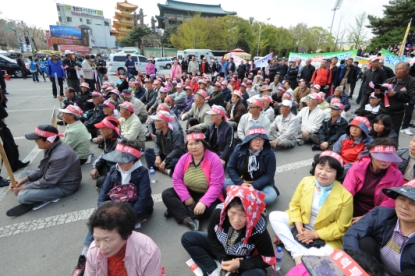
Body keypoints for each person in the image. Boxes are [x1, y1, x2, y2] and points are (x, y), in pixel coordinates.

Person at [269, 151, 353, 265]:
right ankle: (296, 253)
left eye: (329, 170)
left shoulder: (346, 197)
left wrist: (314, 235)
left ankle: (289, 240)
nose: (323, 173)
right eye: (320, 167)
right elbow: (295, 205)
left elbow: (341, 227)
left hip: (324, 235)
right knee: (274, 216)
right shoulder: (306, 181)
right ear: (315, 167)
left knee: (328, 256)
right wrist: (299, 227)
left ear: (337, 174)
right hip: (302, 223)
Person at [181, 186, 275, 276]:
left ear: (251, 214)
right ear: (227, 209)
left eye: (243, 215)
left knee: (257, 274)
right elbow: (212, 237)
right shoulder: (219, 212)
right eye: (232, 213)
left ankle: (234, 271)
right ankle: (213, 271)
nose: (236, 220)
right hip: (222, 248)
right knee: (188, 238)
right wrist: (224, 259)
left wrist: (239, 264)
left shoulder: (257, 226)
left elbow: (268, 259)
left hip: (244, 257)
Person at [343, 179, 415, 276]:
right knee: (365, 242)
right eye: (401, 199)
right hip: (376, 270)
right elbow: (352, 234)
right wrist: (364, 266)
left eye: (413, 204)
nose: (404, 206)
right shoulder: (381, 214)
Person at [6, 125, 82, 217]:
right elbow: (42, 169)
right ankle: (36, 194)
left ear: (48, 141)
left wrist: (23, 188)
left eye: (37, 140)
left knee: (22, 196)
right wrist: (23, 180)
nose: (35, 141)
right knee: (24, 174)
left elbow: (48, 181)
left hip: (64, 186)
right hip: (53, 177)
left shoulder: (61, 156)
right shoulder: (51, 146)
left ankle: (35, 201)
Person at [162, 131, 225, 231]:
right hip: (188, 191)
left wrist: (204, 202)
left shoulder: (214, 159)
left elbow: (216, 185)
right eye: (190, 144)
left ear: (203, 144)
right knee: (166, 194)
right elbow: (176, 179)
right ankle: (188, 220)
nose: (193, 147)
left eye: (197, 143)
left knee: (217, 209)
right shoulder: (184, 158)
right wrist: (186, 197)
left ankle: (176, 210)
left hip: (206, 193)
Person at [79, 202, 161, 276]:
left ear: (126, 233)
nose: (101, 247)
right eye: (97, 239)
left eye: (107, 240)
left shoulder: (147, 252)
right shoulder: (93, 250)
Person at [343, 138, 404, 225]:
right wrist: (345, 215)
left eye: (389, 157)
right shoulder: (358, 167)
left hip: (376, 216)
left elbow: (389, 204)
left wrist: (367, 217)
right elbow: (346, 192)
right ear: (371, 156)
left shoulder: (397, 176)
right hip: (350, 209)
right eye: (381, 157)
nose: (385, 161)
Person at [225, 126, 278, 205]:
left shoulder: (270, 153)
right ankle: (252, 201)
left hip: (261, 185)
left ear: (265, 141)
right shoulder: (239, 148)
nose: (258, 142)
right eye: (255, 138)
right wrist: (240, 183)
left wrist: (254, 186)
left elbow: (269, 175)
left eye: (261, 139)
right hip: (242, 182)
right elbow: (230, 167)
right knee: (225, 184)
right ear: (249, 139)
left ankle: (240, 198)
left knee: (271, 197)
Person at [380, 62, 415, 137]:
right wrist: (377, 92)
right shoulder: (389, 80)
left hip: (396, 113)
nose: (398, 71)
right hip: (383, 111)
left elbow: (410, 96)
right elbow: (380, 95)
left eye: (401, 69)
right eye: (397, 69)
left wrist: (396, 94)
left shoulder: (412, 81)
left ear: (407, 70)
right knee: (379, 132)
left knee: (392, 135)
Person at [144, 111, 184, 176]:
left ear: (164, 124)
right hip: (163, 153)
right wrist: (157, 156)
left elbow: (177, 150)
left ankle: (161, 167)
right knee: (147, 152)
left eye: (157, 121)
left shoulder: (176, 133)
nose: (154, 123)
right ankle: (166, 170)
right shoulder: (158, 131)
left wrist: (164, 161)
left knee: (175, 162)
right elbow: (156, 144)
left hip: (172, 156)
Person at [90, 116, 120, 190]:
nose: (100, 131)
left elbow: (121, 165)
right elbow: (104, 154)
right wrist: (96, 167)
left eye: (102, 129)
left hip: (118, 169)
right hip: (109, 165)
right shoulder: (108, 139)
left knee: (100, 182)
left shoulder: (119, 143)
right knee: (97, 170)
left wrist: (108, 173)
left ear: (110, 131)